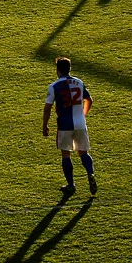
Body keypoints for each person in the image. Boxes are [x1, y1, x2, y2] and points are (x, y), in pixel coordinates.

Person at [42, 56, 97, 197]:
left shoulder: (54, 86)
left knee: (66, 154)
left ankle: (71, 185)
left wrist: (45, 125)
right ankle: (90, 174)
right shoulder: (79, 82)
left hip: (65, 125)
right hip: (80, 123)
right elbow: (89, 100)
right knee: (83, 152)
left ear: (58, 69)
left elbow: (48, 107)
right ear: (70, 68)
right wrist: (82, 114)